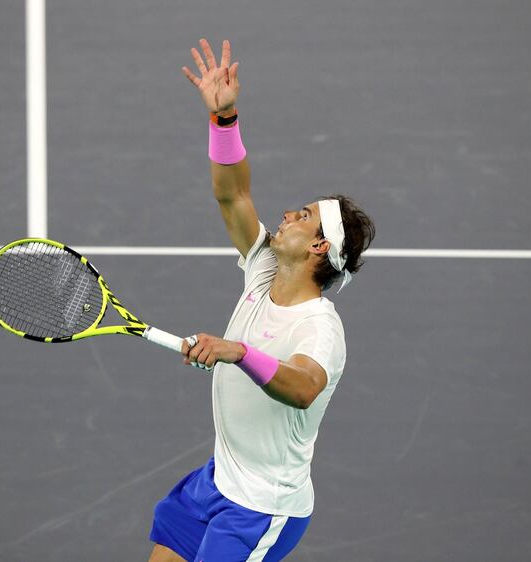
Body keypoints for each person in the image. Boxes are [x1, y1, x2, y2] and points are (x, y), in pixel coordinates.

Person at [147, 38, 376, 562]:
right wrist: (224, 117)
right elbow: (233, 194)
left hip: (260, 509)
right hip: (219, 480)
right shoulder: (263, 266)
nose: (289, 215)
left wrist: (237, 352)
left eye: (304, 217)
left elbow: (303, 387)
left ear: (320, 247)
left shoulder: (319, 326)